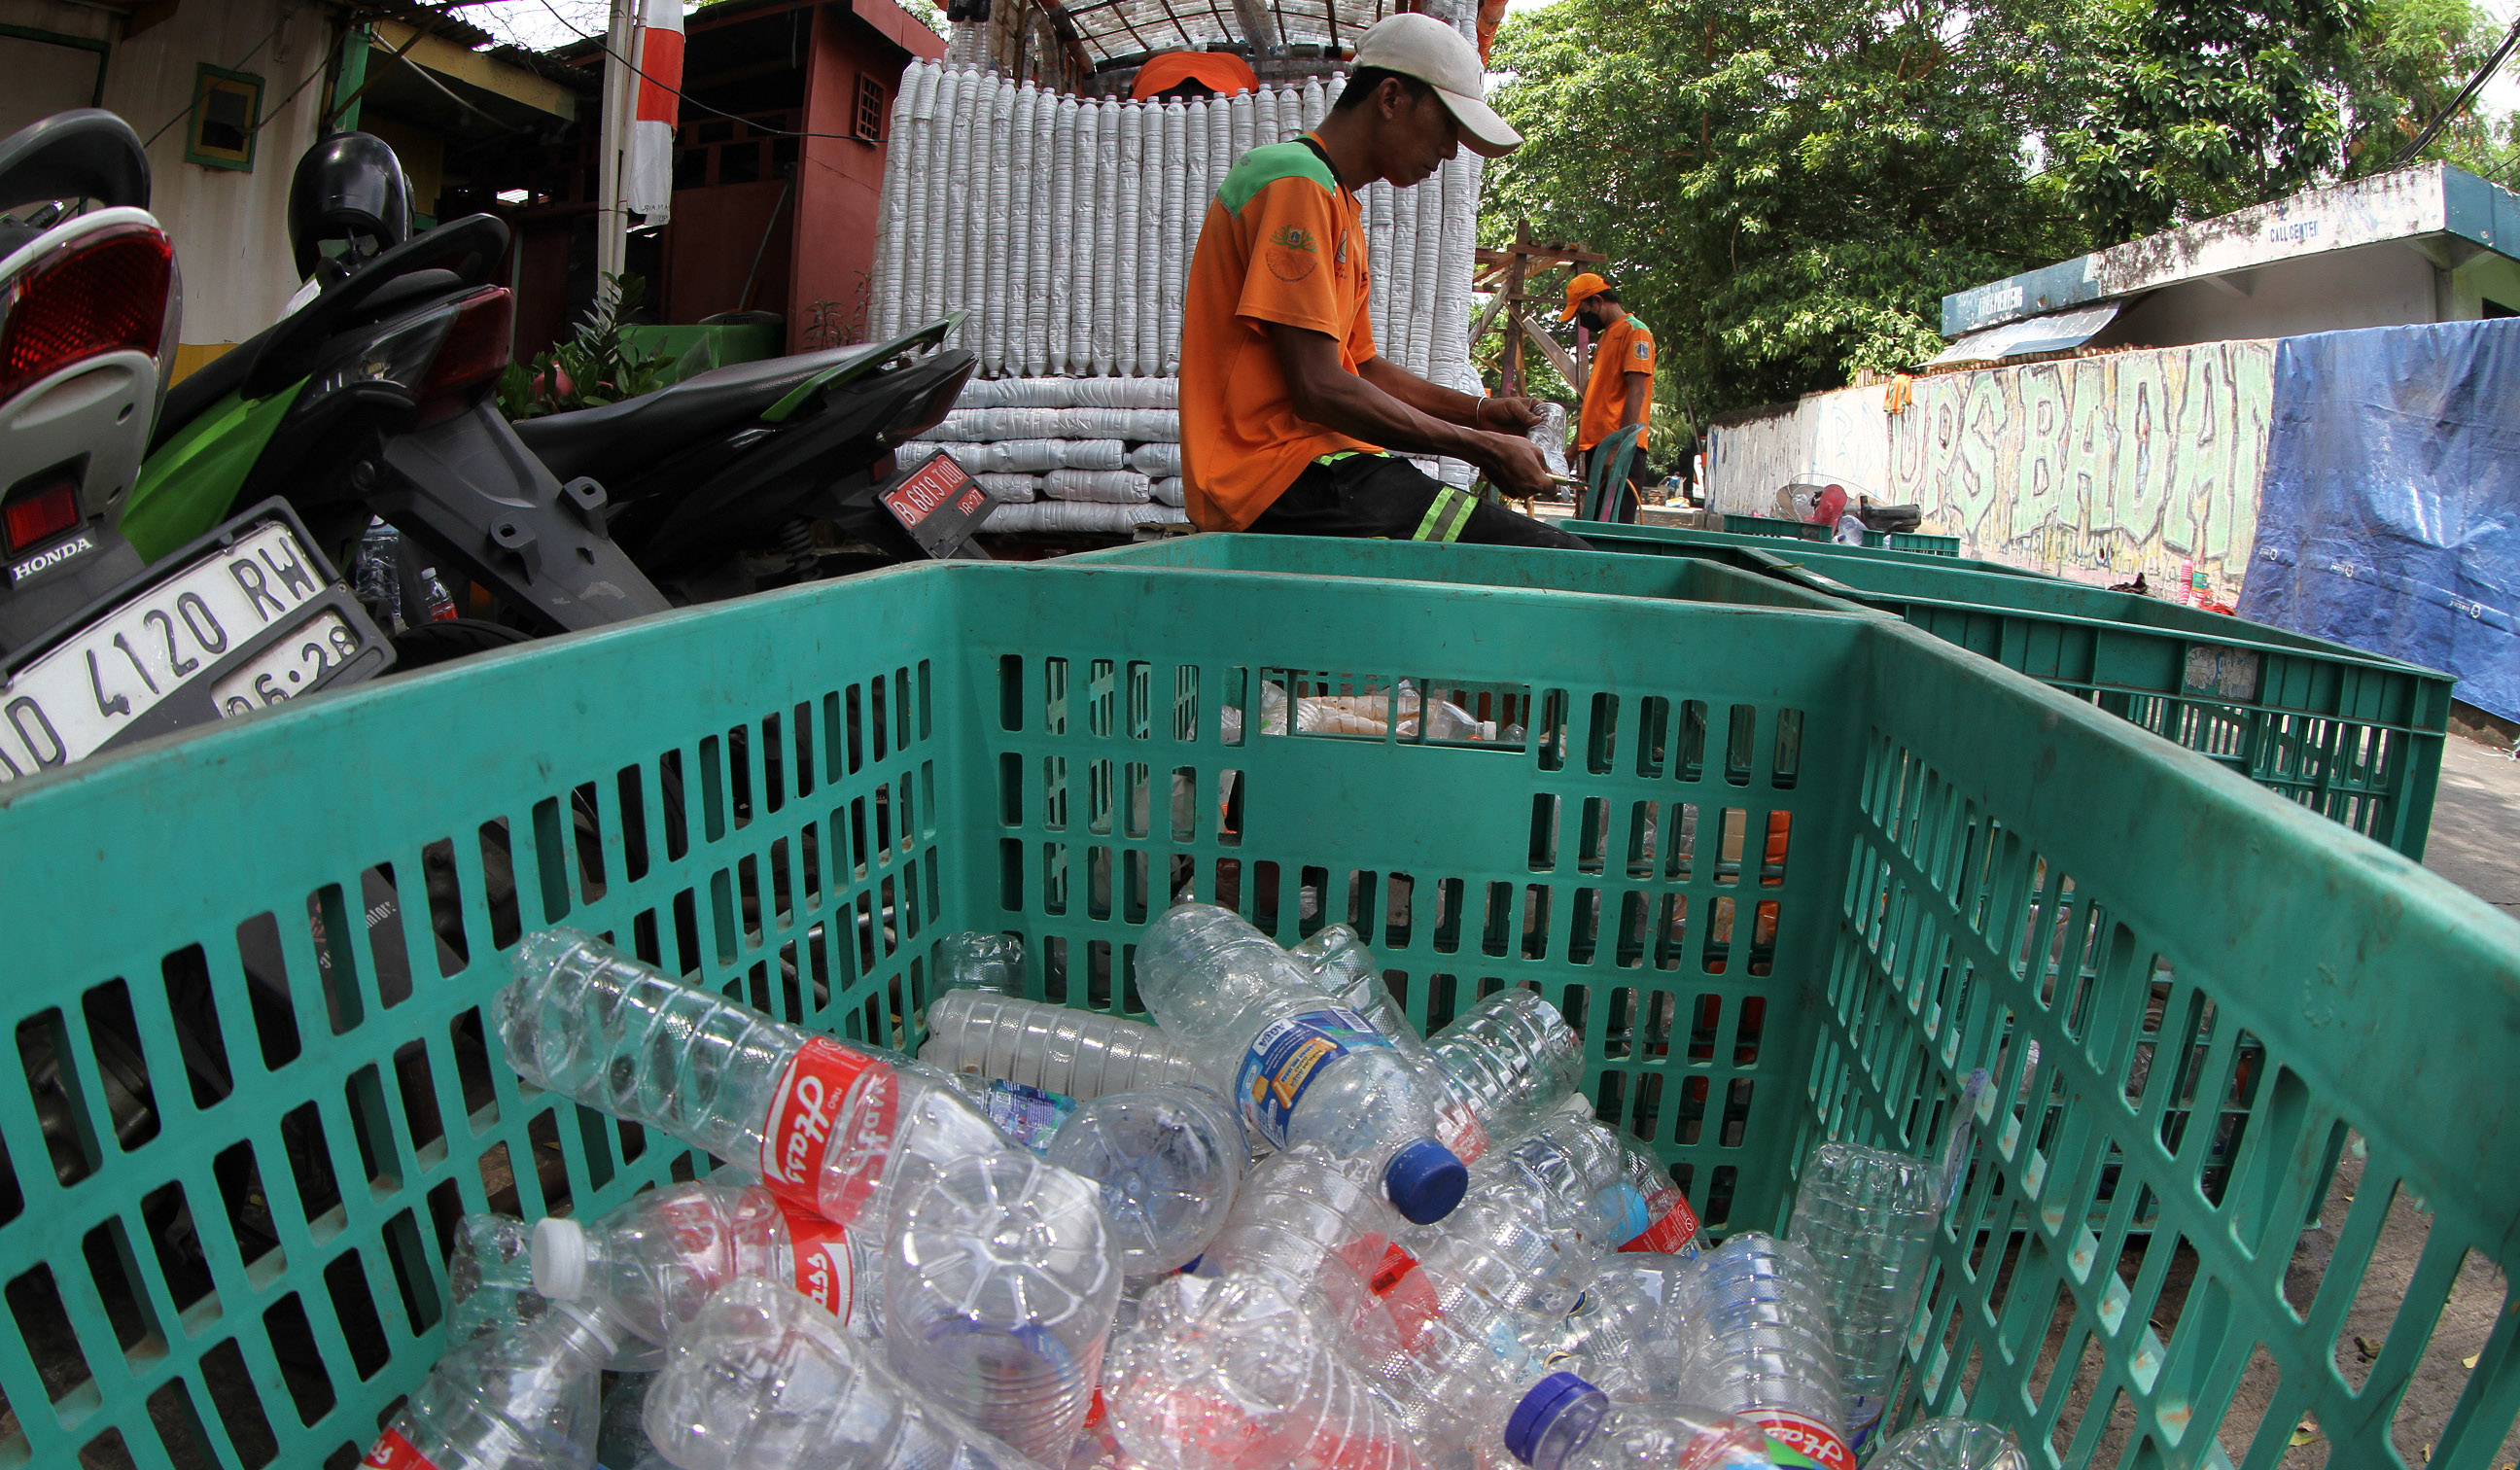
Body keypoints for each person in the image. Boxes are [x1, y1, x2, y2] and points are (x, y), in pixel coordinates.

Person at [1177, 14, 1586, 548]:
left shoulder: (1336, 201)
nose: (1450, 151)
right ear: (1391, 98)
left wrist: (1482, 414)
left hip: (1319, 472)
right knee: (1557, 554)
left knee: (1534, 547)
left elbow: (1361, 366)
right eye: (1447, 127)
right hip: (1275, 478)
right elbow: (1319, 389)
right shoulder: (1295, 184)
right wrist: (1480, 446)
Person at [1561, 271, 1654, 520]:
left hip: (1619, 452)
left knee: (1612, 526)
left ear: (1597, 301)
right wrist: (1572, 452)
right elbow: (1597, 404)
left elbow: (1637, 391)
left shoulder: (1635, 333)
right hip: (1600, 450)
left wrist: (1618, 450)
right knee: (1594, 524)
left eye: (1582, 312)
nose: (1582, 320)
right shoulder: (1607, 337)